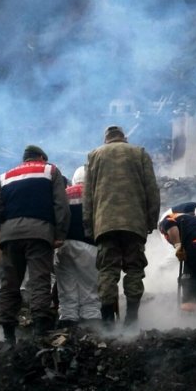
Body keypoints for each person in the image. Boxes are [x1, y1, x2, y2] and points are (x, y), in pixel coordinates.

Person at [0, 145, 70, 344]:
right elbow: (61, 205)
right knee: (39, 279)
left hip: (9, 236)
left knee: (10, 282)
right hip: (39, 233)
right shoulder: (50, 170)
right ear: (42, 157)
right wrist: (60, 233)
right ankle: (40, 330)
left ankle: (8, 333)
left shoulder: (5, 176)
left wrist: (6, 225)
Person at [83, 125, 160, 328]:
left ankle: (108, 322)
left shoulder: (94, 155)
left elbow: (88, 195)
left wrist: (89, 227)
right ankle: (131, 319)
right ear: (124, 138)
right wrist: (151, 221)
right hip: (134, 222)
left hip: (104, 224)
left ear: (106, 139)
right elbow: (152, 189)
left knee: (107, 270)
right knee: (134, 269)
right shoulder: (139, 153)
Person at [54, 165, 101, 328]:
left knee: (66, 289)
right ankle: (91, 324)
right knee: (90, 289)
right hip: (88, 246)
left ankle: (67, 322)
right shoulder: (96, 194)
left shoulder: (63, 194)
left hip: (62, 246)